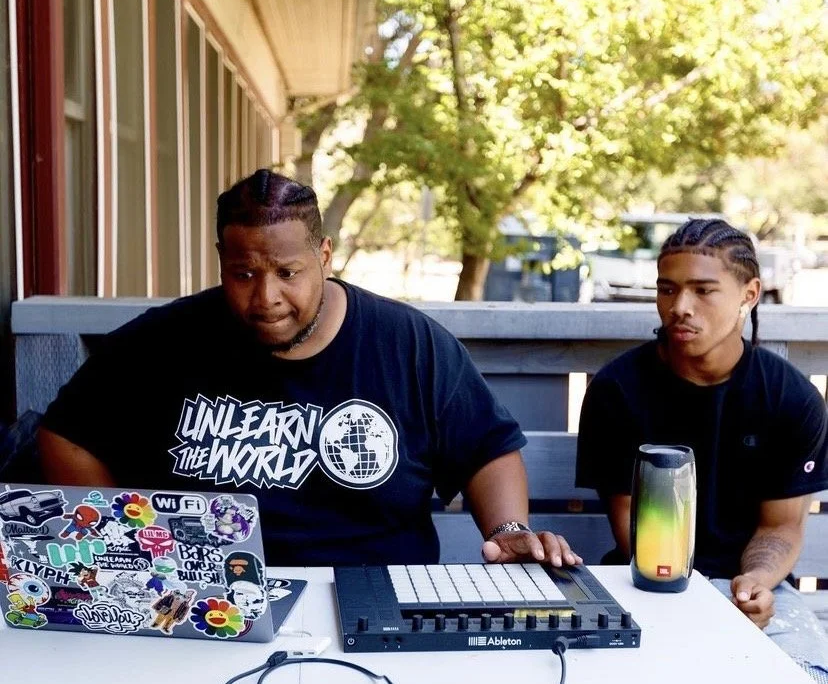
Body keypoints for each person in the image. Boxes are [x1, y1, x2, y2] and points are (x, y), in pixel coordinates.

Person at [38, 169, 582, 569]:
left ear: (324, 255)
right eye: (243, 273)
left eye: (287, 271)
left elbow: (487, 449)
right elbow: (66, 434)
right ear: (220, 261)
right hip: (207, 600)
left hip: (378, 592)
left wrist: (509, 529)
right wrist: (120, 538)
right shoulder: (166, 340)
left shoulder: (408, 344)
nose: (266, 297)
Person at [576, 217, 828, 679]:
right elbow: (633, 532)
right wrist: (701, 607)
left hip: (755, 588)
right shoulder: (619, 389)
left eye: (703, 291)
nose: (679, 307)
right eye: (667, 290)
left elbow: (781, 528)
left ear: (748, 295)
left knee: (805, 673)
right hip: (647, 580)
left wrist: (754, 585)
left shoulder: (789, 396)